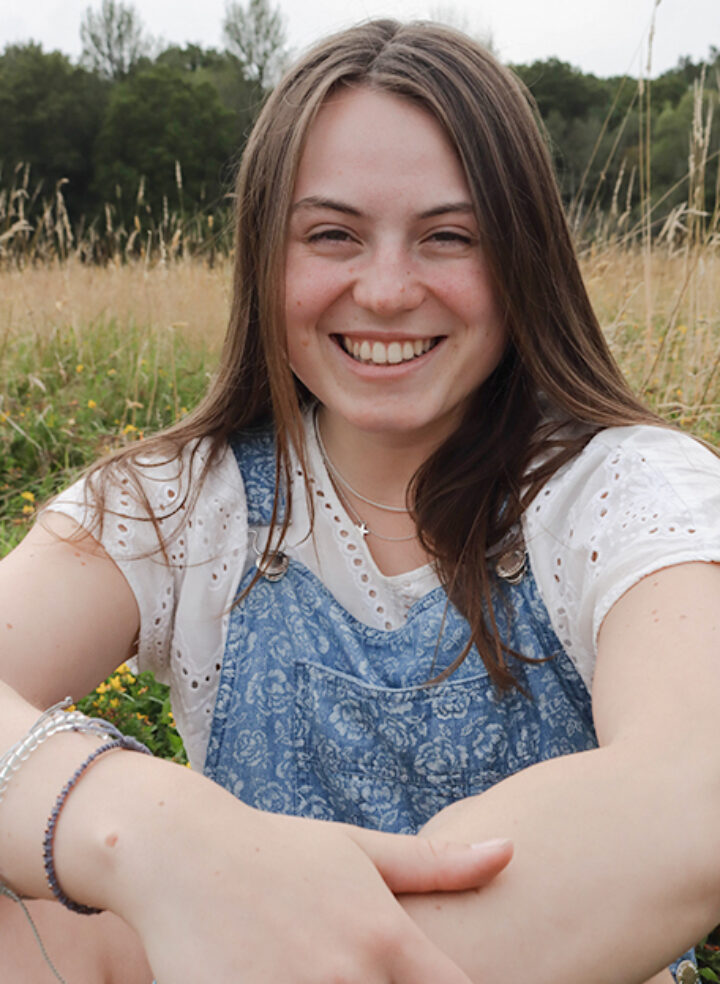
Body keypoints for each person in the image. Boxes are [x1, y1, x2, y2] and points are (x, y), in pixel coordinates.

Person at [1, 17, 719, 984]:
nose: (385, 291)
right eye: (331, 234)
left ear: (525, 258)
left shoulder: (628, 492)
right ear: (264, 255)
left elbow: (694, 790)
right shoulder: (175, 505)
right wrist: (152, 839)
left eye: (449, 236)